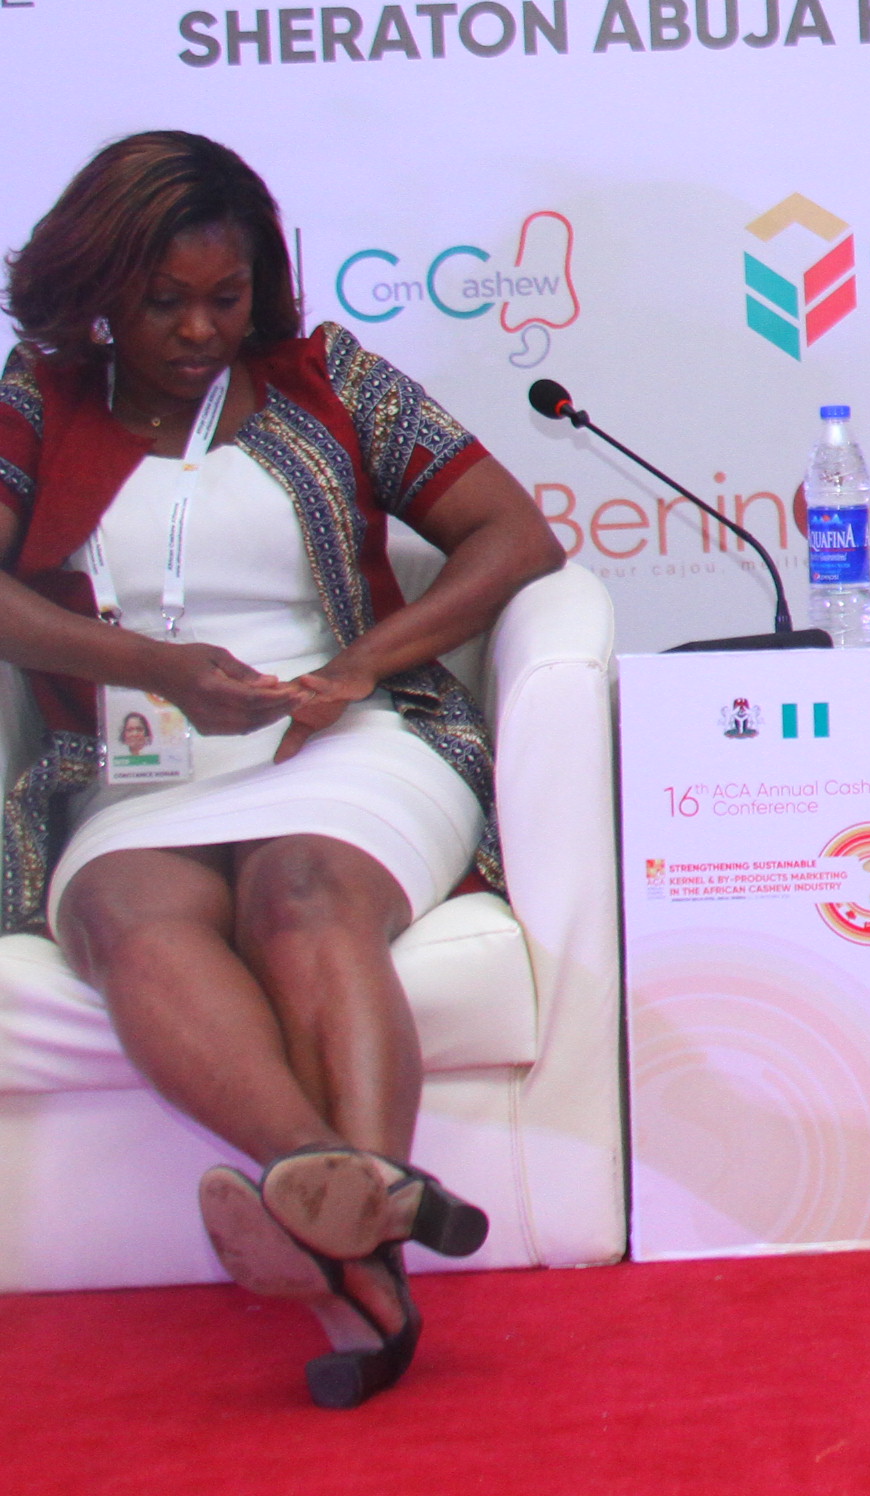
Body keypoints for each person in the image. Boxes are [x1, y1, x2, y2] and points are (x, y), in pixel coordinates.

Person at [0, 133, 564, 1404]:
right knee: (126, 915)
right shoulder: (38, 398)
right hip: (137, 763)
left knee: (301, 893)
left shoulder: (328, 378)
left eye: (227, 295)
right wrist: (150, 665)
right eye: (166, 302)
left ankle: (329, 1217)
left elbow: (512, 535)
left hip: (348, 740)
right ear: (103, 286)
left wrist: (364, 664)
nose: (202, 330)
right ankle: (355, 1205)